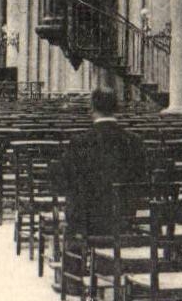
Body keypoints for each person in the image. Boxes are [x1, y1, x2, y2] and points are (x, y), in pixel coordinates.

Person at [50, 87, 146, 243]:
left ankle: (73, 264)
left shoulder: (80, 142)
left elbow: (62, 182)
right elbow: (142, 179)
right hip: (124, 219)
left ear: (92, 108)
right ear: (116, 108)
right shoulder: (135, 141)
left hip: (88, 222)